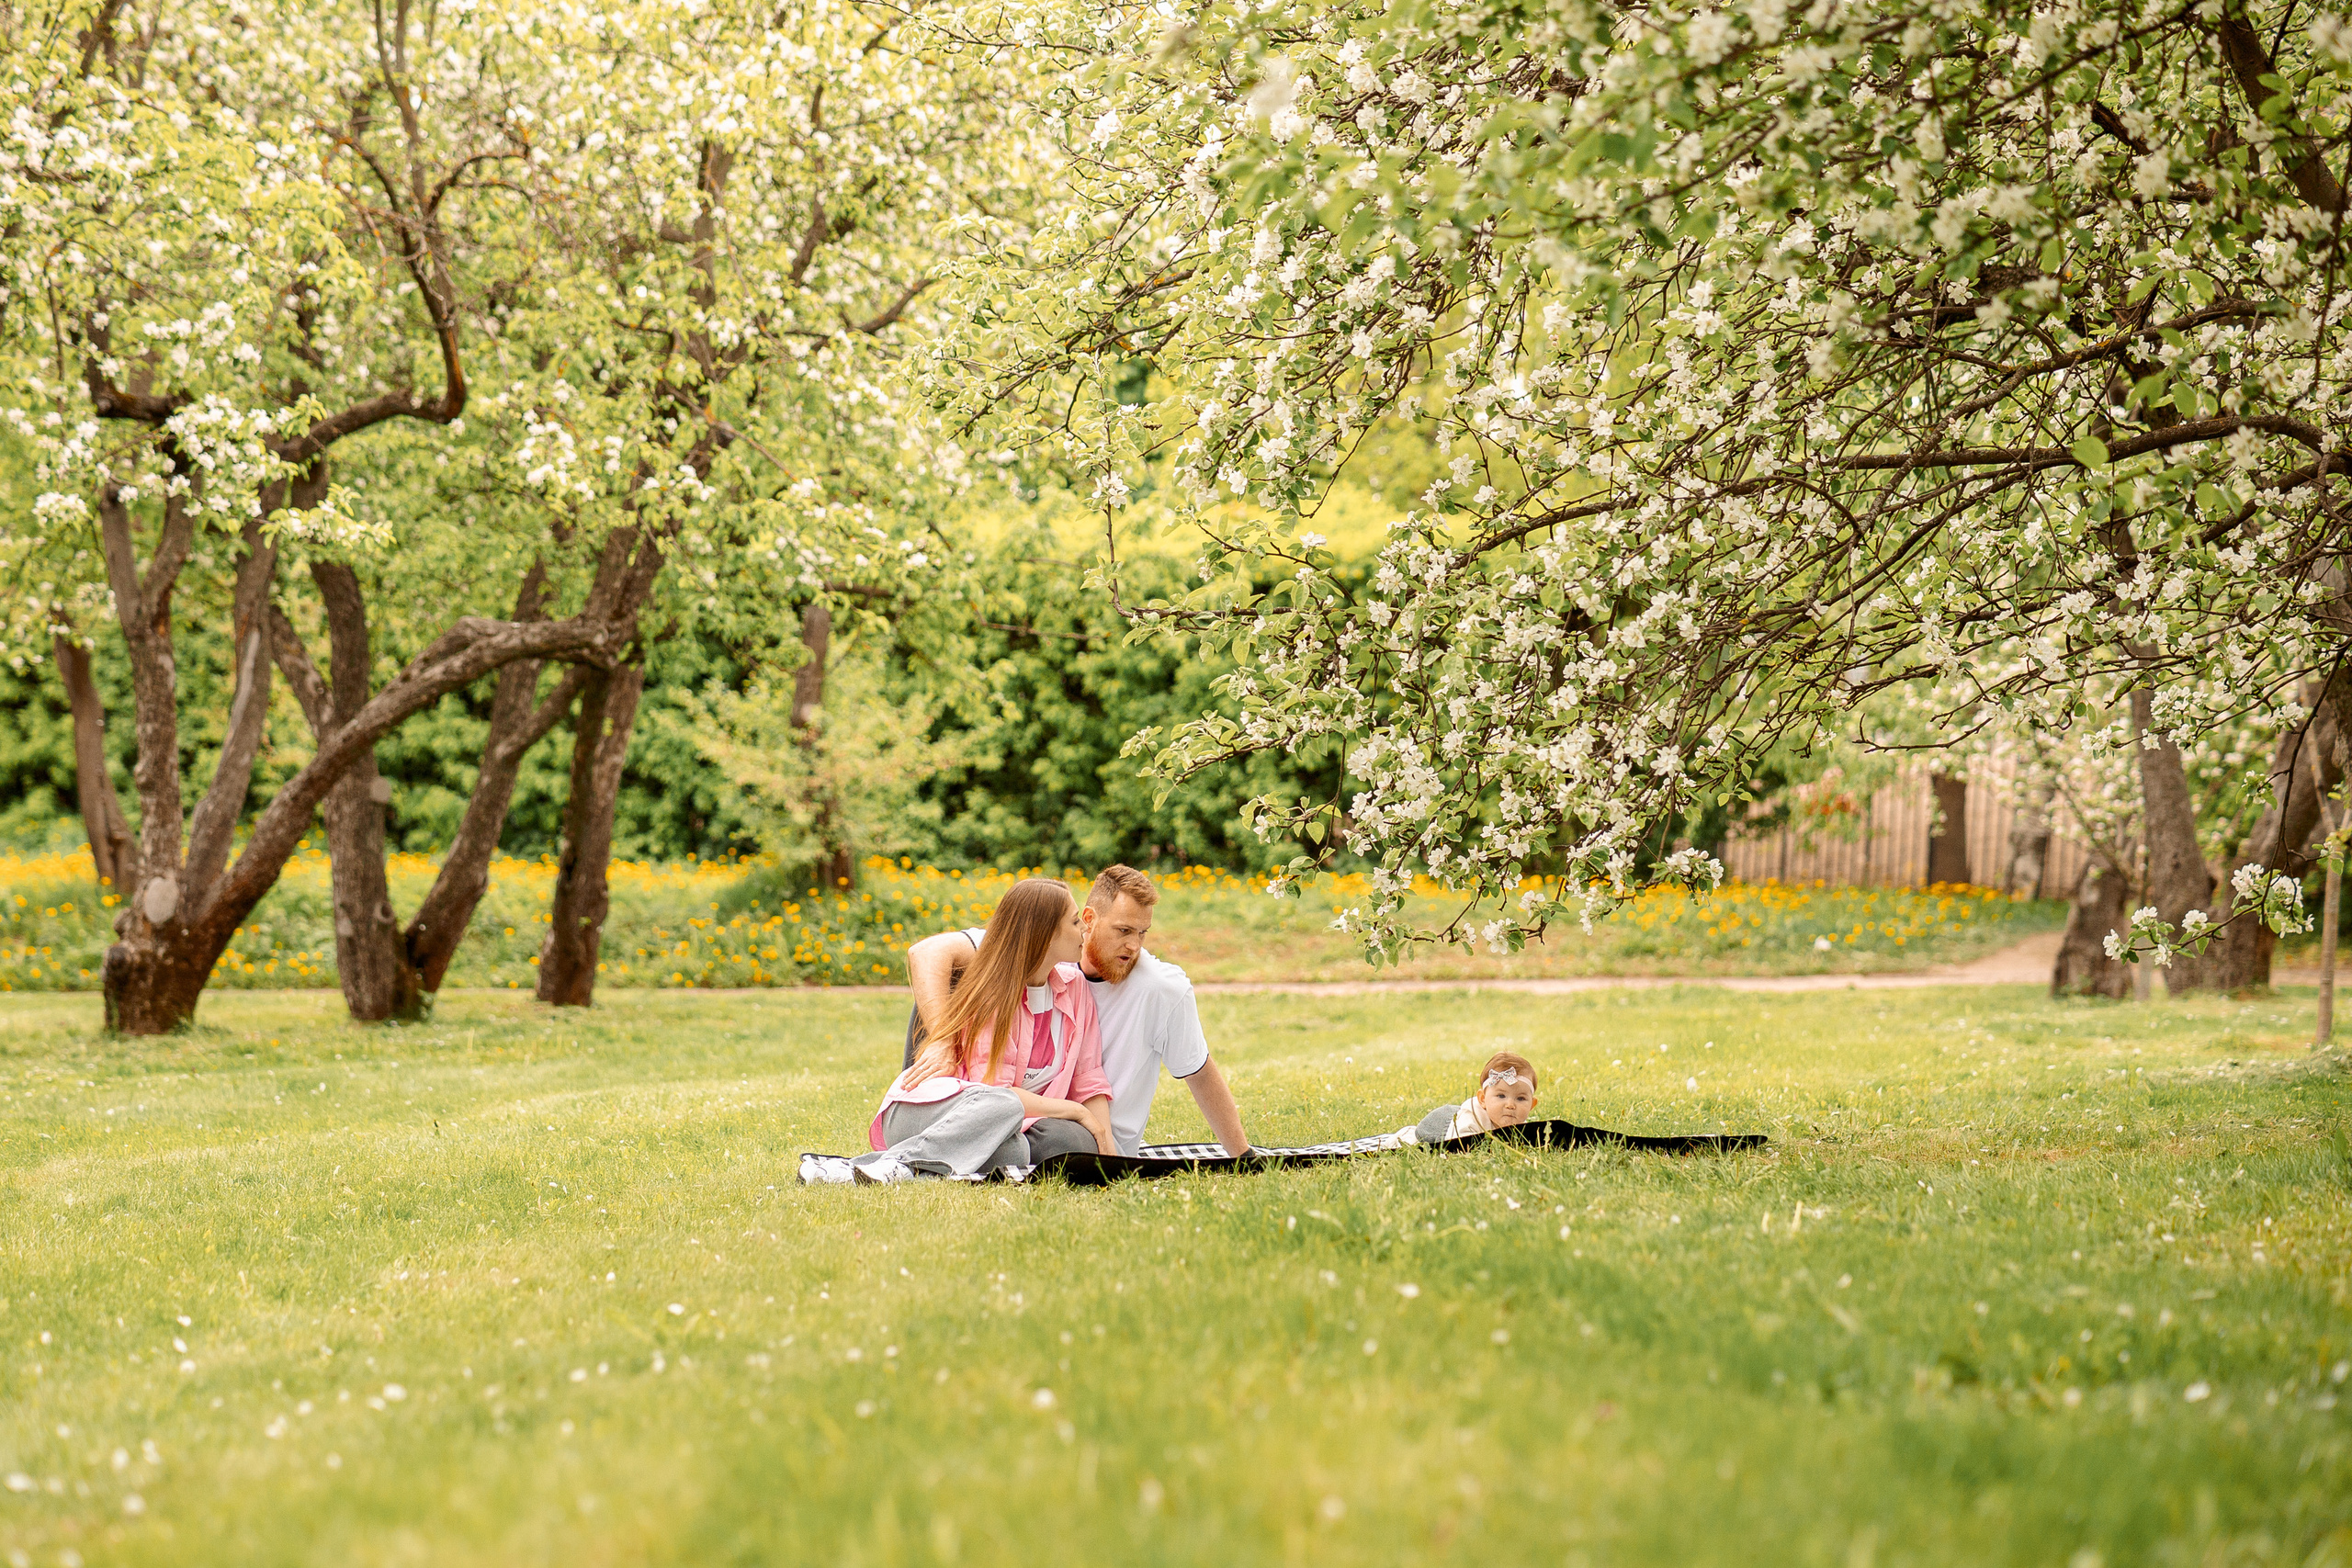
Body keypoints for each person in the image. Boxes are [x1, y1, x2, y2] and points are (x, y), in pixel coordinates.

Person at [903, 865, 1252, 1157]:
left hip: (1070, 1131)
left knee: (1057, 1142)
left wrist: (1243, 1156)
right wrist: (941, 1041)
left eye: (1143, 933)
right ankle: (925, 1105)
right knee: (947, 988)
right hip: (1000, 1102)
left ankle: (954, 1144)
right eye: (1123, 931)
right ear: (1087, 920)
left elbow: (1197, 1071)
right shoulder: (1028, 948)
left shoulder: (1157, 988)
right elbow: (925, 954)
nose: (1134, 946)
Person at [853, 878, 1115, 1184]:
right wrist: (1076, 1112)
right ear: (1043, 935)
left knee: (1033, 1150)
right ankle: (895, 1163)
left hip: (1006, 1127)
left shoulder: (1076, 989)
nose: (1084, 929)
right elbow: (993, 1093)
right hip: (931, 1112)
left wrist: (1106, 1145)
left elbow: (1088, 1078)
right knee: (1006, 1105)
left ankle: (910, 1169)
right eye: (1074, 922)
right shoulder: (992, 993)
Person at [1403, 1051, 1539, 1144]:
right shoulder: (1471, 1119)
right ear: (1483, 1099)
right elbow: (1459, 1148)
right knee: (1409, 1139)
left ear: (1531, 1105)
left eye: (1520, 1099)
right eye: (1501, 1096)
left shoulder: (1520, 1123)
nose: (1510, 1105)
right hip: (1441, 1126)